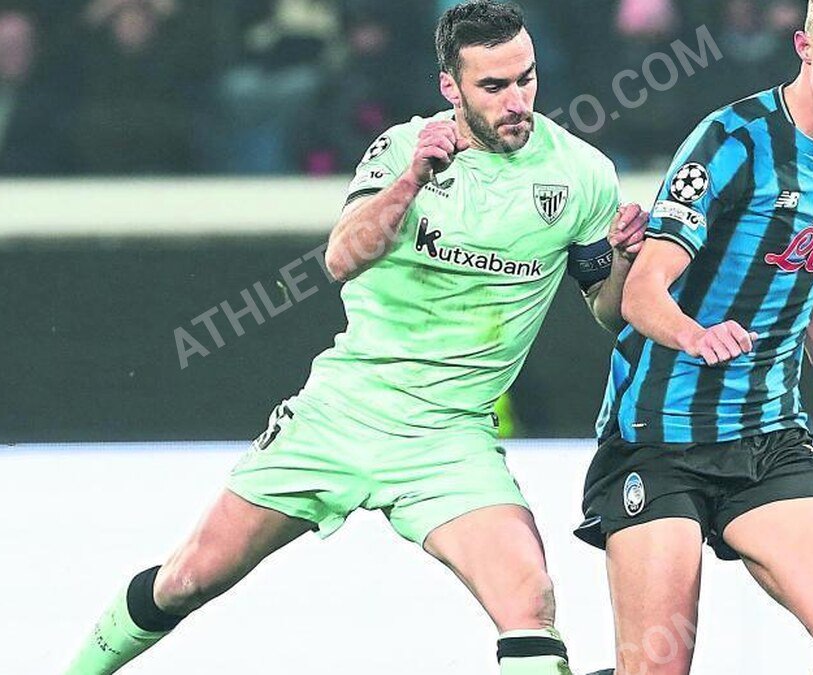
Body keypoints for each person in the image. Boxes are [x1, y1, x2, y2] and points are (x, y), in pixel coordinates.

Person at [64, 2, 646, 674]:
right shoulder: (402, 150)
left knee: (529, 599)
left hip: (449, 438)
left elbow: (608, 314)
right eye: (493, 86)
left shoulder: (581, 174)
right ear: (451, 87)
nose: (517, 101)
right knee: (188, 578)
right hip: (342, 413)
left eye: (526, 78)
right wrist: (412, 181)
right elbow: (341, 259)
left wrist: (621, 263)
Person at [574, 1, 813, 673]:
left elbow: (788, 261)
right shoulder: (731, 141)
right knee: (657, 665)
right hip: (661, 434)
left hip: (767, 436)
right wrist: (695, 335)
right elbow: (642, 292)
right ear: (804, 47)